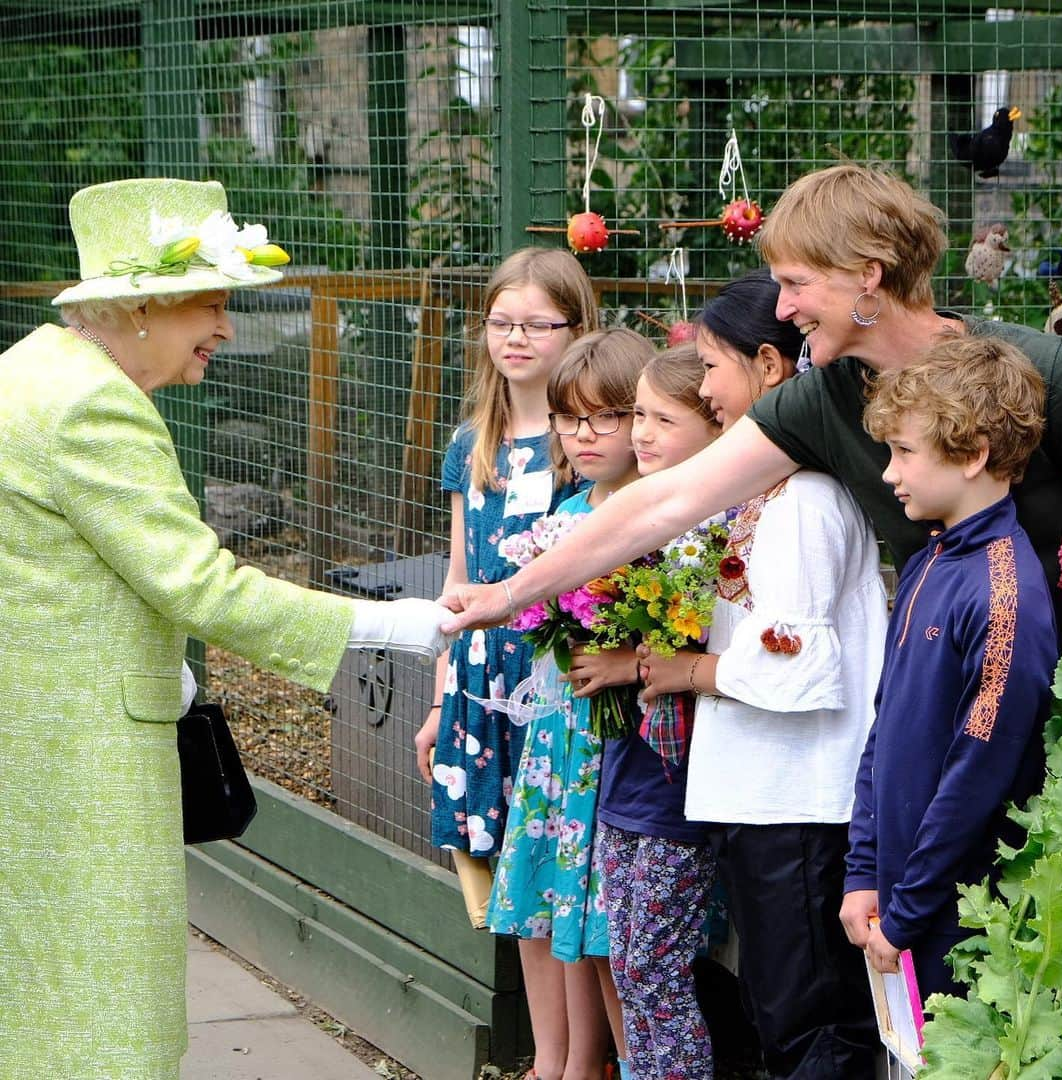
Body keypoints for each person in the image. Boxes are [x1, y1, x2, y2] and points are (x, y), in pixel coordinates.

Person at [0, 177, 452, 1080]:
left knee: (44, 981)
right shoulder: (95, 406)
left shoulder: (30, 369)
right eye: (210, 301)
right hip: (81, 748)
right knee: (105, 998)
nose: (227, 327)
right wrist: (399, 625)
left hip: (36, 725)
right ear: (140, 306)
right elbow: (202, 586)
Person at [438, 162, 1062, 655]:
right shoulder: (824, 396)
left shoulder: (1046, 370)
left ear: (869, 275)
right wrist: (511, 594)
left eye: (797, 284)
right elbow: (668, 500)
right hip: (949, 674)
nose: (781, 310)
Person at [636, 274, 887, 1079]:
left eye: (712, 365)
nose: (703, 387)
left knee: (812, 1018)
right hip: (763, 792)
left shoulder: (806, 500)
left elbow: (800, 663)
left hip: (800, 800)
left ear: (771, 368)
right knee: (783, 1008)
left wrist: (689, 669)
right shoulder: (765, 492)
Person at [414, 247, 598, 1079]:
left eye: (536, 324)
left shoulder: (584, 443)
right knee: (515, 882)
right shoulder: (472, 445)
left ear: (576, 329)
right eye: (501, 323)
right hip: (482, 686)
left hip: (561, 682)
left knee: (564, 876)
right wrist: (437, 699)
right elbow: (458, 586)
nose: (515, 339)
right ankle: (543, 1057)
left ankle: (584, 1059)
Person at [841, 336, 1057, 998]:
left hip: (956, 923)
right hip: (897, 906)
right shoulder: (927, 562)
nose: (888, 472)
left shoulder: (1006, 593)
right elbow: (887, 726)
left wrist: (906, 913)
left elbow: (977, 774)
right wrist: (863, 872)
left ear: (973, 455)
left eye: (905, 452)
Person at [489, 328, 655, 1080]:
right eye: (569, 418)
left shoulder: (655, 510)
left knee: (593, 914)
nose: (584, 435)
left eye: (606, 417)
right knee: (540, 893)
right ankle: (549, 1060)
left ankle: (590, 1063)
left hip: (609, 742)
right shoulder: (568, 505)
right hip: (556, 734)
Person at [588, 343, 724, 1080]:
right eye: (637, 413)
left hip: (677, 791)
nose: (640, 432)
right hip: (626, 778)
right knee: (629, 958)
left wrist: (629, 662)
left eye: (662, 419)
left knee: (654, 967)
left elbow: (702, 652)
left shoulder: (713, 538)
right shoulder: (635, 519)